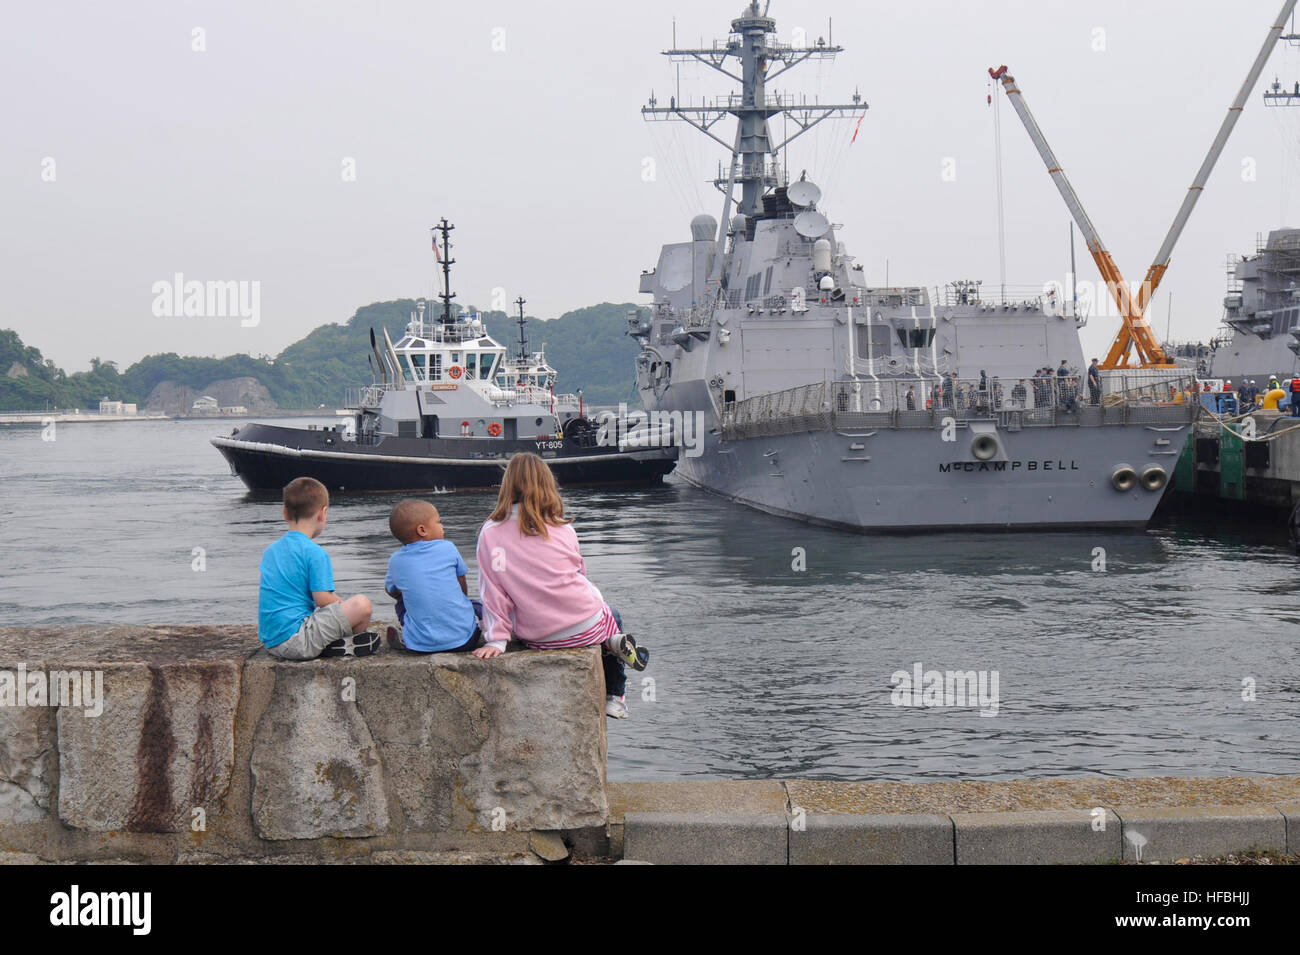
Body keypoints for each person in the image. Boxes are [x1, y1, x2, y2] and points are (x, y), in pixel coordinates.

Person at [475, 453, 648, 719]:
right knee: (611, 614)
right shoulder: (561, 526)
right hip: (587, 624)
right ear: (548, 485)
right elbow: (578, 574)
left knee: (479, 608)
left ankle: (612, 642)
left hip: (542, 637)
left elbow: (493, 591)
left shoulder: (491, 532)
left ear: (507, 485)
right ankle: (616, 694)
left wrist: (498, 640)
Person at [258, 477, 375, 660]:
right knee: (362, 605)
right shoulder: (315, 553)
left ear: (284, 513)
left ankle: (336, 645)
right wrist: (346, 609)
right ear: (323, 514)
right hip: (297, 641)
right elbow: (322, 599)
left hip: (272, 641)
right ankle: (351, 643)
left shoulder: (270, 550)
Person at [383, 498, 481, 653]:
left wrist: (402, 594)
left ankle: (406, 634)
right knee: (474, 605)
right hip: (466, 641)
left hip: (420, 646)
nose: (443, 526)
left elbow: (390, 590)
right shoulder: (448, 548)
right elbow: (461, 582)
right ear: (422, 530)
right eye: (438, 522)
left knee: (401, 602)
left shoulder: (395, 560)